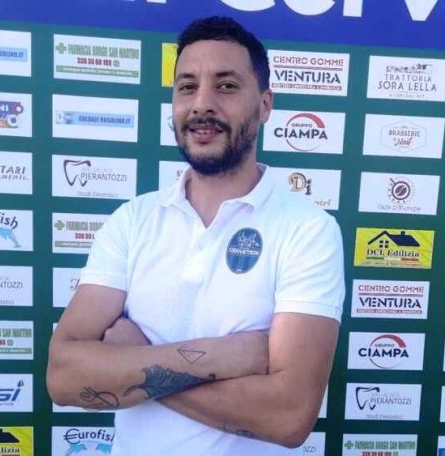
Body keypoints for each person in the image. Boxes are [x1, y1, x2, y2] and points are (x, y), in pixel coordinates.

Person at [46, 16, 345, 455]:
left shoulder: (307, 230)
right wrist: (225, 357)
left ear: (265, 105)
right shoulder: (132, 221)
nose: (202, 103)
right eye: (187, 86)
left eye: (226, 86)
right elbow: (63, 377)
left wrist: (135, 359)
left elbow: (288, 416)